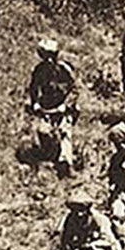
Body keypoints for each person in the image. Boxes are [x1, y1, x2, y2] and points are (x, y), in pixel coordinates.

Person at [26, 38, 76, 171]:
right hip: (47, 106)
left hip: (64, 107)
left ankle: (65, 162)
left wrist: (66, 105)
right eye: (45, 56)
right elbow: (33, 88)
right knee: (43, 131)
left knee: (65, 131)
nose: (49, 60)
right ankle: (50, 154)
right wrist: (35, 103)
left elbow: (75, 90)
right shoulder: (39, 70)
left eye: (51, 56)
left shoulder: (64, 70)